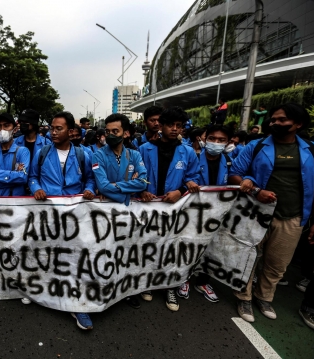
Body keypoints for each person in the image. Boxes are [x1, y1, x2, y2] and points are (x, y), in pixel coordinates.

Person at [229, 103, 314, 323]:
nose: (275, 123)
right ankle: (244, 296)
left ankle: (264, 296)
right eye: (273, 119)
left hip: (294, 216)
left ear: (298, 124)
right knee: (249, 256)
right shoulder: (256, 146)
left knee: (277, 262)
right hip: (255, 213)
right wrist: (256, 190)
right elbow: (235, 174)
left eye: (282, 120)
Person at [28, 111, 96, 330]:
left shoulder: (84, 154)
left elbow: (90, 179)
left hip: (75, 215)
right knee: (46, 252)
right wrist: (36, 188)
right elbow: (32, 177)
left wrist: (88, 189)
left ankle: (78, 306)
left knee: (75, 258)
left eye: (59, 128)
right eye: (52, 128)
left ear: (71, 131)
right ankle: (39, 290)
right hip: (48, 213)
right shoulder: (42, 152)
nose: (54, 132)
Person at [138, 106, 201, 310]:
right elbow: (137, 177)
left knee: (172, 247)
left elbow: (194, 178)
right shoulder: (144, 149)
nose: (175, 129)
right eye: (171, 125)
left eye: (179, 126)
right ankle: (146, 283)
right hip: (148, 208)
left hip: (175, 208)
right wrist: (141, 191)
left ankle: (169, 287)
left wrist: (181, 189)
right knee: (148, 245)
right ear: (161, 126)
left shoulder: (188, 152)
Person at [92, 113, 148, 309]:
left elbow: (142, 182)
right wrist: (126, 189)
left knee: (123, 252)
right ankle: (102, 290)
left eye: (115, 131)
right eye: (107, 131)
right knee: (103, 252)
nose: (109, 135)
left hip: (126, 212)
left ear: (125, 133)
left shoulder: (134, 154)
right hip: (104, 213)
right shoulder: (98, 155)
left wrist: (115, 187)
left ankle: (124, 291)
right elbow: (102, 185)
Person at [177, 124, 233, 303]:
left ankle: (202, 281)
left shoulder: (229, 160)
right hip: (193, 214)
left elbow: (239, 177)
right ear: (204, 139)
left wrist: (248, 180)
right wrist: (188, 182)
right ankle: (183, 279)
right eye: (212, 139)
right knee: (188, 247)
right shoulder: (194, 157)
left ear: (227, 143)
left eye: (221, 140)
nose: (216, 143)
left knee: (211, 249)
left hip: (217, 214)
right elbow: (182, 177)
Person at [0, 113, 30, 197]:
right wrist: (14, 177)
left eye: (6, 126)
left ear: (15, 130)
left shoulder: (23, 151)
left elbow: (23, 178)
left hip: (15, 202)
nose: (2, 130)